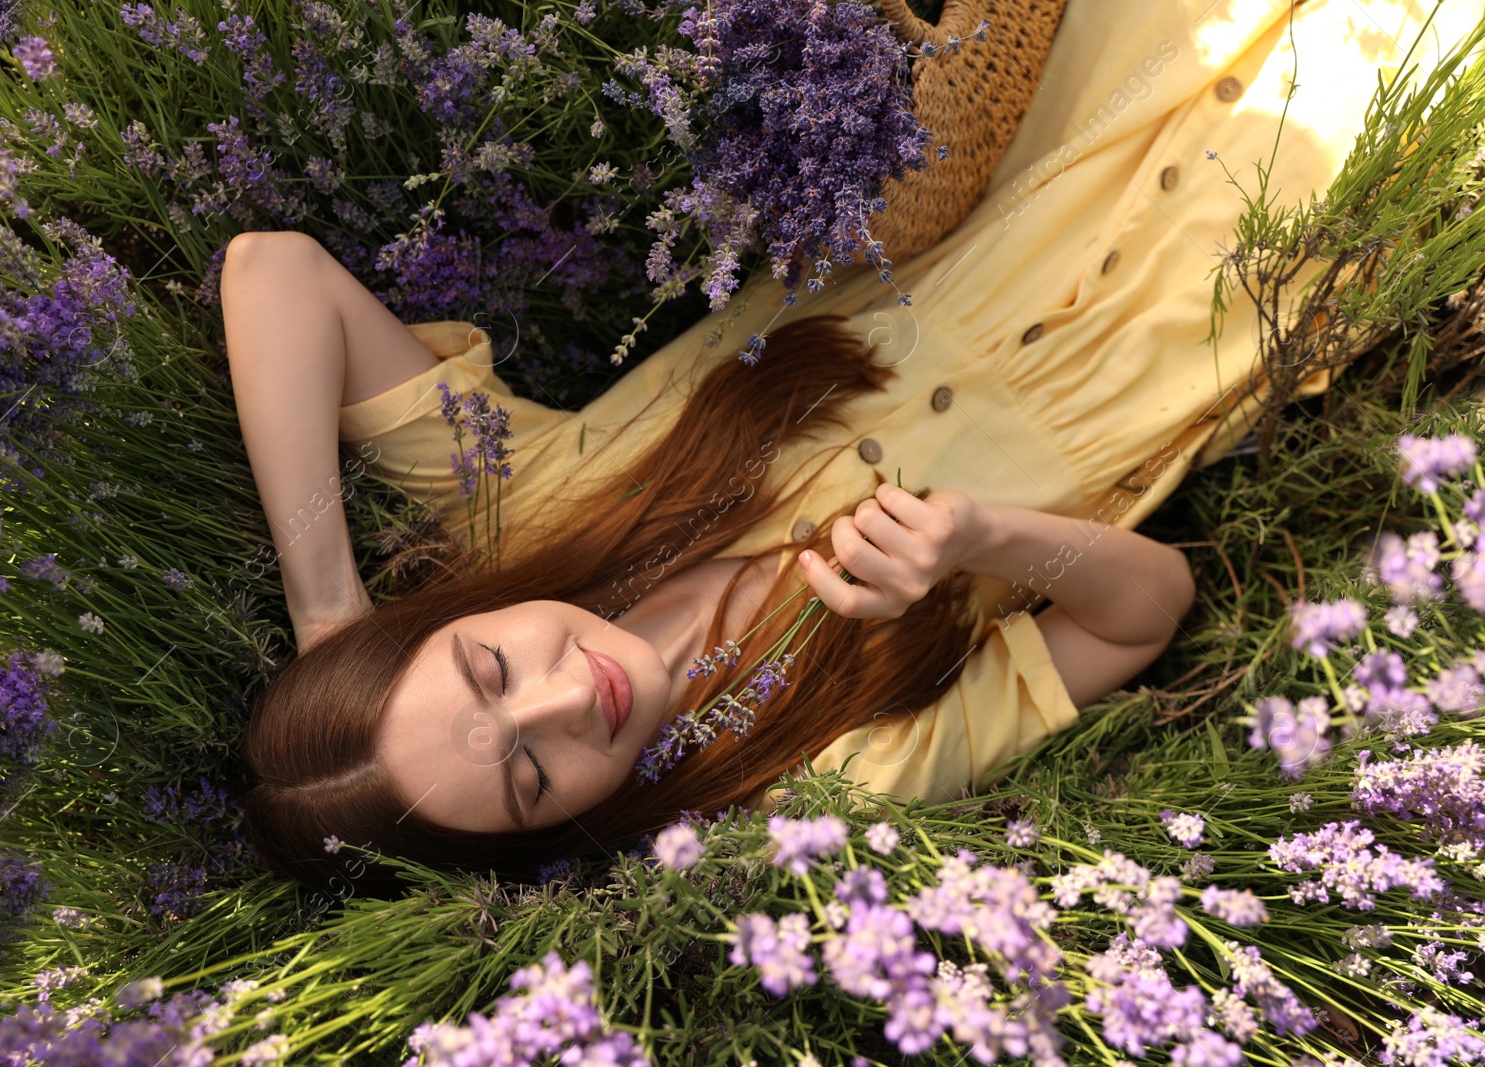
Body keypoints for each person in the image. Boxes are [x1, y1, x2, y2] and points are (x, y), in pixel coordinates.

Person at [221, 0, 1485, 897]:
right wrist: (982, 540)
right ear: (542, 837)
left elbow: (273, 276)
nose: (566, 697)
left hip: (1077, 121)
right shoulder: (817, 778)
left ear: (439, 621)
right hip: (1222, 293)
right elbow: (1145, 609)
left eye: (491, 668)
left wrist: (326, 608)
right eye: (533, 776)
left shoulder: (525, 506)